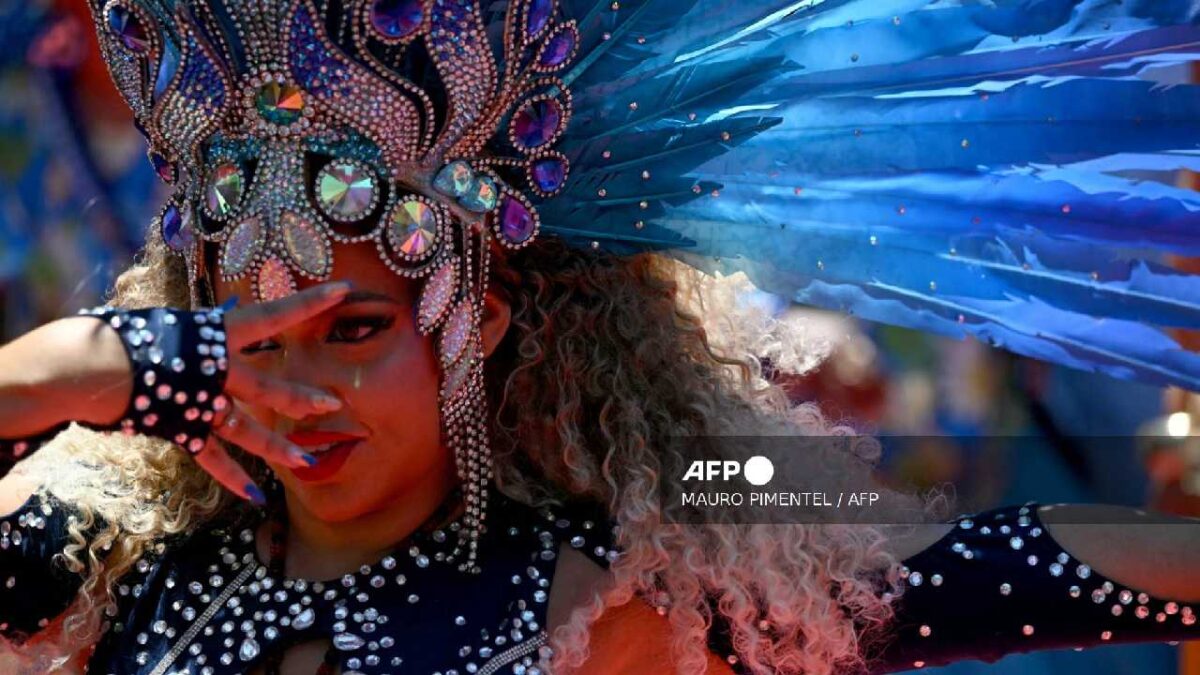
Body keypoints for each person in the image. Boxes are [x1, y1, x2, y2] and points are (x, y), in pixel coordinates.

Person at [1, 0, 1198, 674]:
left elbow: (933, 548)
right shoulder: (108, 552)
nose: (295, 389)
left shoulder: (630, 562)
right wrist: (74, 370)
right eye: (246, 339)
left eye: (353, 328)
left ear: (479, 323)